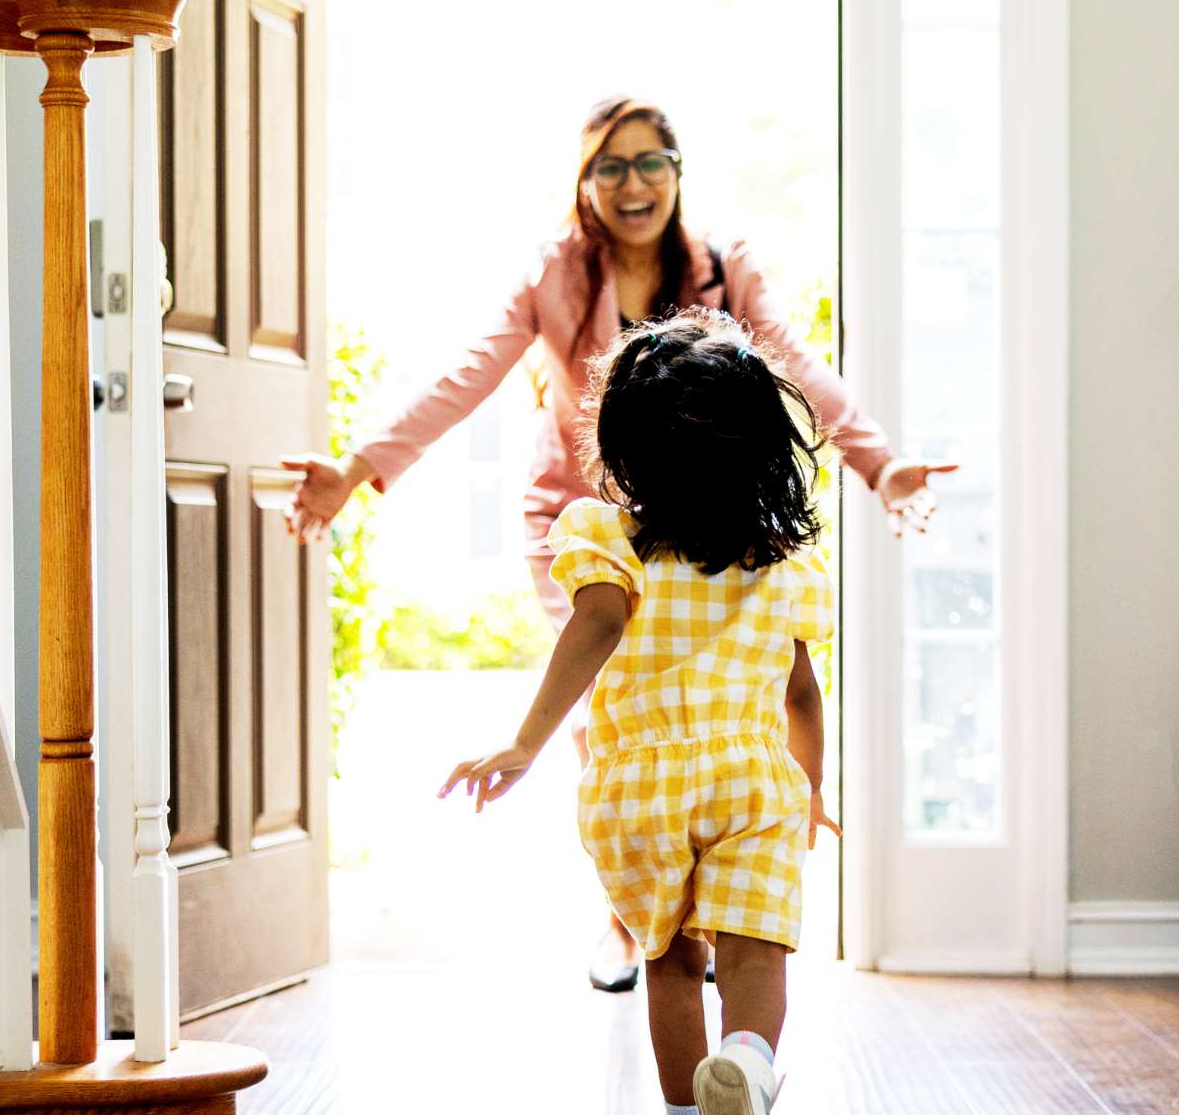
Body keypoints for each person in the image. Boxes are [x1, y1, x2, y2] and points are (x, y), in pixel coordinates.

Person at [280, 95, 950, 992]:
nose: (633, 184)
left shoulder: (721, 268)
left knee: (718, 701)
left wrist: (881, 463)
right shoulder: (554, 276)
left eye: (650, 164)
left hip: (707, 520)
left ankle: (718, 900)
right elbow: (465, 376)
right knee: (609, 704)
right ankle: (633, 920)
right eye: (611, 166)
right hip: (584, 519)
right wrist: (359, 465)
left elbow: (792, 360)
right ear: (586, 184)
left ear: (676, 173)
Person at [440, 311, 837, 1115]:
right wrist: (813, 791)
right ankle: (750, 1063)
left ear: (625, 449)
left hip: (640, 792)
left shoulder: (605, 538)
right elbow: (800, 692)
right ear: (760, 450)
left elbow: (598, 623)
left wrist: (524, 744)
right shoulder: (778, 562)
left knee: (671, 963)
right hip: (751, 784)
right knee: (757, 950)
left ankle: (686, 1109)